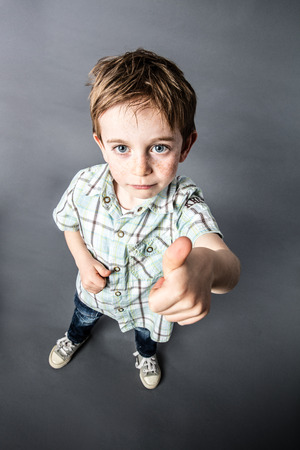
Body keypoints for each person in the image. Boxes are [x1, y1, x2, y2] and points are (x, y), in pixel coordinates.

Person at [49, 49, 240, 389]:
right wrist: (82, 261)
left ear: (186, 146)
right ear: (101, 144)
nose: (140, 168)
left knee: (147, 335)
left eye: (159, 147)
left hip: (147, 307)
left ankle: (146, 354)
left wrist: (208, 267)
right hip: (96, 294)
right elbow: (68, 223)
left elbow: (225, 261)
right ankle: (74, 337)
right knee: (82, 318)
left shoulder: (182, 200)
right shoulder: (84, 184)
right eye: (121, 148)